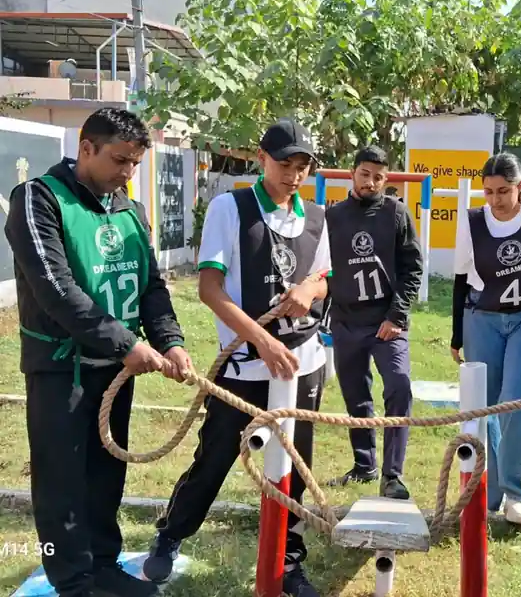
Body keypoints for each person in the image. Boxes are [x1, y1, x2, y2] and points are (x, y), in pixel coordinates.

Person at [4, 107, 193, 597]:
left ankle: (103, 565)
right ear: (86, 148)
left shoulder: (129, 208)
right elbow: (55, 290)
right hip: (60, 370)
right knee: (61, 482)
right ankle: (72, 581)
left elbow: (151, 285)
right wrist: (127, 343)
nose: (127, 172)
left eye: (135, 163)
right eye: (119, 160)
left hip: (114, 373)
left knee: (106, 475)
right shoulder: (39, 199)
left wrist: (170, 340)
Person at [142, 119, 331, 597]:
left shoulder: (315, 217)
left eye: (302, 166)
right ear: (261, 159)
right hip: (247, 365)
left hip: (303, 363)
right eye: (285, 163)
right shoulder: (231, 208)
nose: (293, 175)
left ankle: (288, 561)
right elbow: (210, 288)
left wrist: (310, 289)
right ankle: (172, 533)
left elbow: (324, 278)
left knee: (295, 463)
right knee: (215, 456)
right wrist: (262, 341)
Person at [449, 152, 521, 526]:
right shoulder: (472, 221)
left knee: (519, 397)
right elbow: (461, 280)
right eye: (489, 192)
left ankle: (516, 492)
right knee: (486, 406)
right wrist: (457, 334)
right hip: (482, 318)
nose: (495, 199)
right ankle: (490, 491)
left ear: (519, 187)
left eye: (503, 191)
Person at [324, 145, 423, 499]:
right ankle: (364, 465)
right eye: (365, 174)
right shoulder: (332, 217)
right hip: (346, 321)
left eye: (378, 177)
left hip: (386, 321)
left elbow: (413, 268)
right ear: (352, 173)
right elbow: (321, 270)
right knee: (355, 394)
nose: (371, 182)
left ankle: (392, 475)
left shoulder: (397, 213)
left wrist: (396, 315)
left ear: (386, 179)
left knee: (399, 386)